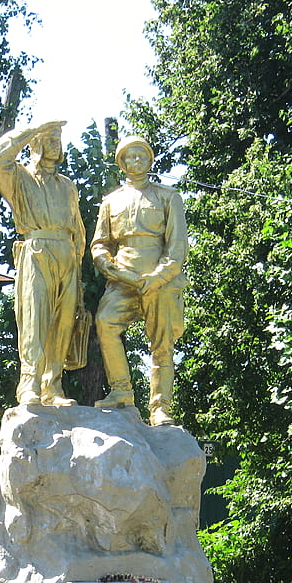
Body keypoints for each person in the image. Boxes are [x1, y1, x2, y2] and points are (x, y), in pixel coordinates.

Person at [0, 120, 86, 407]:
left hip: (67, 255)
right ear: (36, 144)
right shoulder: (20, 177)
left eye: (58, 139)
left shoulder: (67, 186)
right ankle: (29, 383)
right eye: (49, 139)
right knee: (34, 319)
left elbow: (78, 230)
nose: (56, 144)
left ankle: (52, 386)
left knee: (63, 323)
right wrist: (31, 130)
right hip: (36, 250)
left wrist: (77, 270)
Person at [91, 136, 189, 426]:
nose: (136, 161)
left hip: (160, 280)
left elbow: (177, 245)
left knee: (162, 344)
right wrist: (105, 263)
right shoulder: (111, 201)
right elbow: (100, 243)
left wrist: (159, 277)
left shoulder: (168, 196)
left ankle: (161, 407)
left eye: (141, 156)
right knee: (105, 322)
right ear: (121, 163)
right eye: (130, 157)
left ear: (149, 160)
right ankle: (121, 390)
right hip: (123, 279)